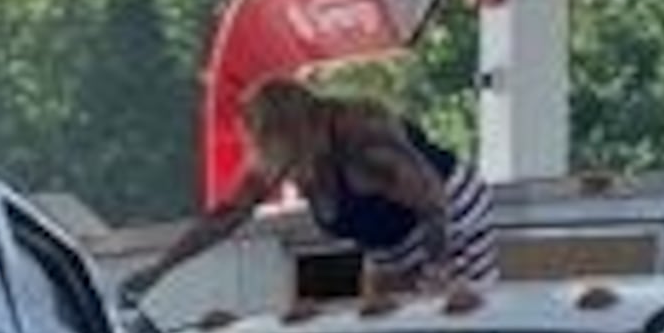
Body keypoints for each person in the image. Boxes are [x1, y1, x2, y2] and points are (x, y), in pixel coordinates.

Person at [124, 75, 499, 305]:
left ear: (293, 132)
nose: (275, 170)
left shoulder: (363, 137)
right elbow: (224, 218)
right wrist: (159, 270)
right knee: (380, 322)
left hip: (451, 218)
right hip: (387, 241)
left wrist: (438, 272)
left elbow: (432, 201)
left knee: (451, 310)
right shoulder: (281, 157)